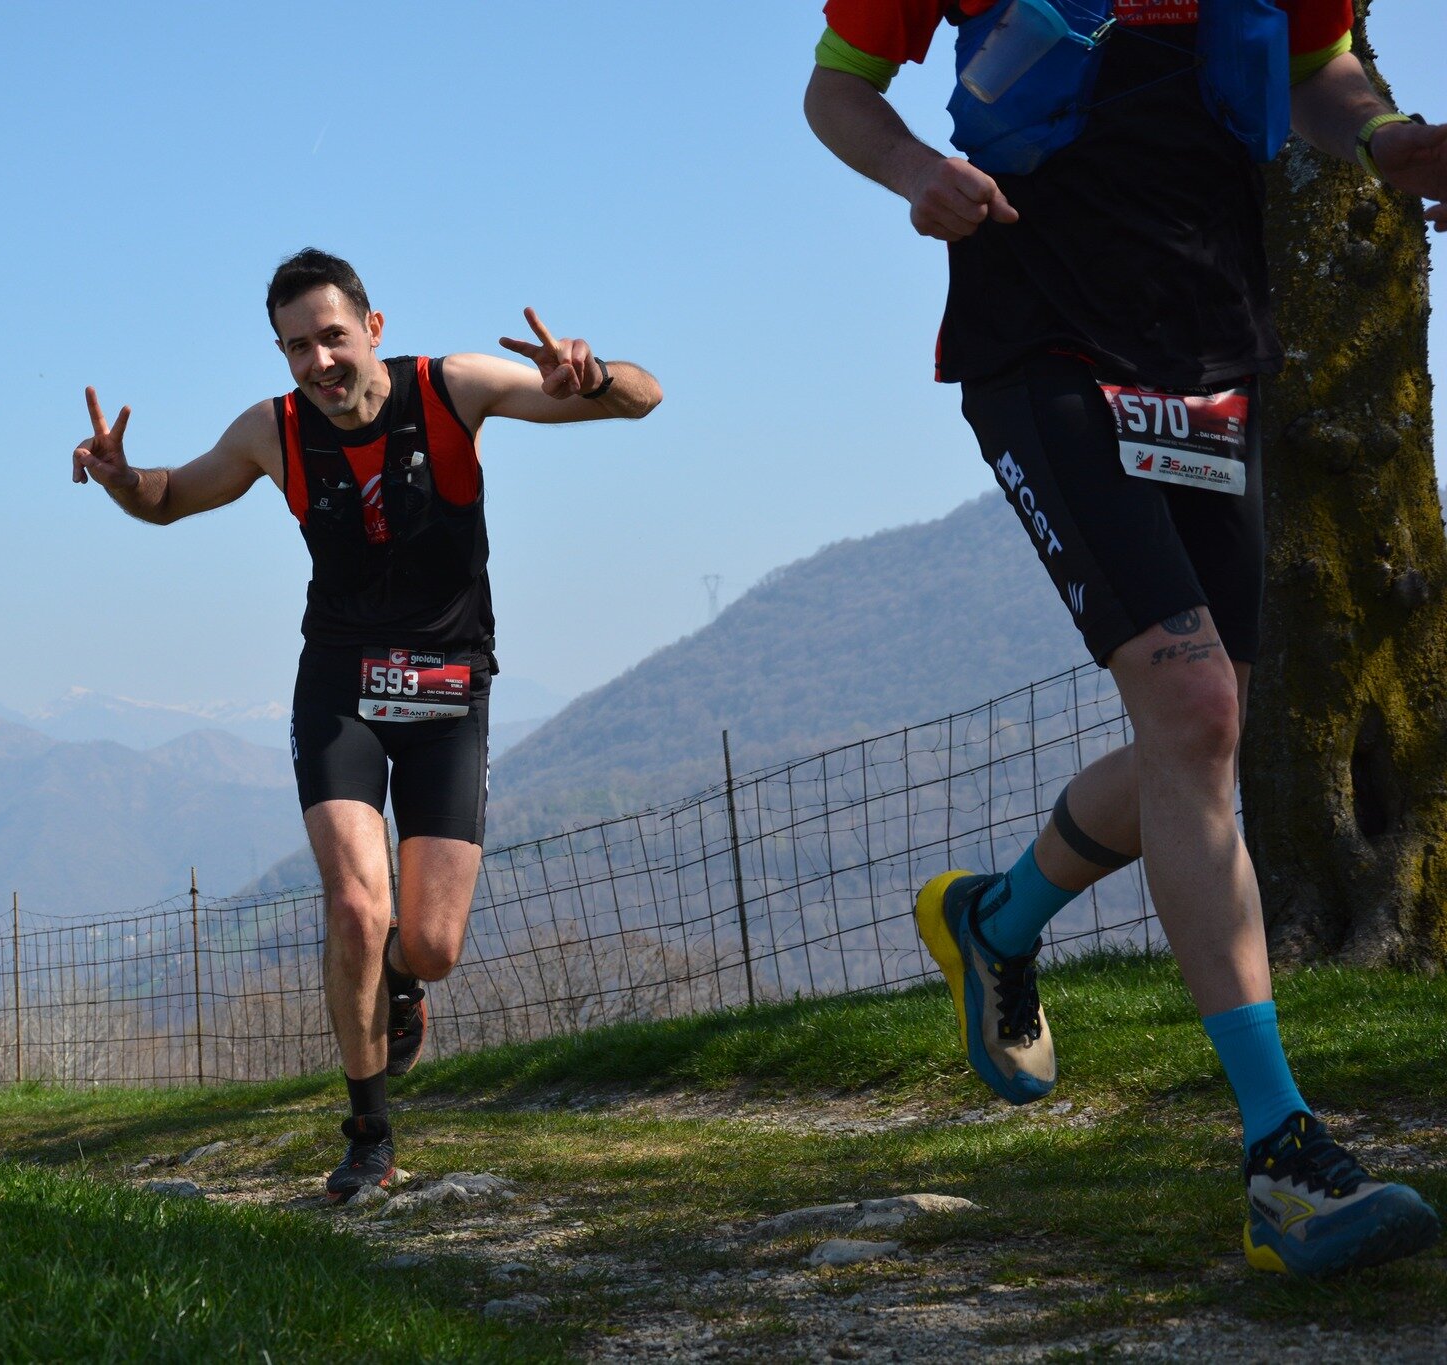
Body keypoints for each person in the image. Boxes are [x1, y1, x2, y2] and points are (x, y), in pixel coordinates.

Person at [805, 0, 1443, 1277]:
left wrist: (1381, 139)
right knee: (1198, 713)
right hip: (1039, 331)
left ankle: (996, 916)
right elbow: (838, 87)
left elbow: (1318, 66)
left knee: (1197, 733)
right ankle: (1279, 1159)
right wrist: (914, 173)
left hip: (1212, 341)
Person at [71, 248, 661, 1201]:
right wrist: (118, 476)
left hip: (447, 688)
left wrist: (593, 376)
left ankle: (400, 980)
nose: (318, 362)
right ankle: (369, 1134)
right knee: (355, 902)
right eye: (296, 346)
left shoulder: (453, 387)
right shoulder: (273, 431)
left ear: (373, 328)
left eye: (333, 337)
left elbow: (643, 398)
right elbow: (172, 497)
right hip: (340, 685)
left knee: (428, 943)